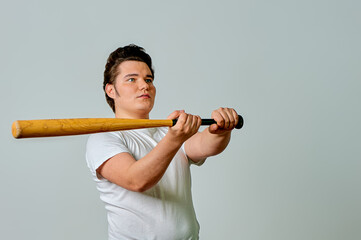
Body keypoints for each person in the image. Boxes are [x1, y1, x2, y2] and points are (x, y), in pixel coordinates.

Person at [86, 44, 239, 240]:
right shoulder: (104, 137)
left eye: (148, 79)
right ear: (110, 90)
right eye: (131, 79)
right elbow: (136, 180)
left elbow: (206, 145)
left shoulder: (167, 133)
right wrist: (174, 139)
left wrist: (221, 131)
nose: (144, 85)